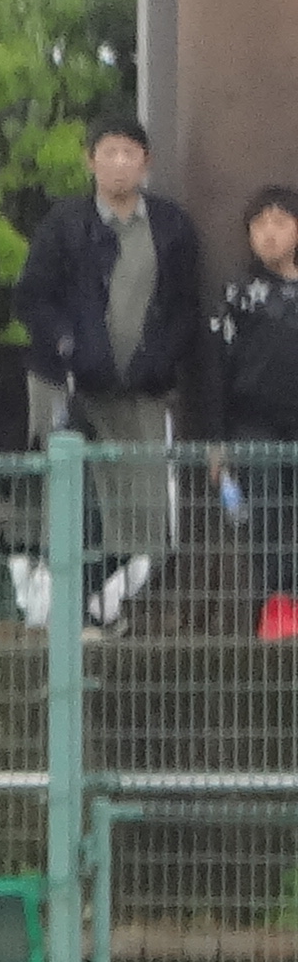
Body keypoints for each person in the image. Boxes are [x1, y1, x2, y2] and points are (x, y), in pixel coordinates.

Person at [19, 115, 205, 570]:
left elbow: (186, 306)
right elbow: (33, 297)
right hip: (63, 381)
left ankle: (127, 587)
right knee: (57, 490)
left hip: (140, 386)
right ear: (91, 161)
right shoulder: (64, 222)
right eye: (109, 152)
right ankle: (52, 585)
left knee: (142, 502)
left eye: (129, 153)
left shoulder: (171, 225)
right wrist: (67, 343)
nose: (120, 163)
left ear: (146, 162)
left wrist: (160, 359)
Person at [211, 186, 298, 633]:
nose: (269, 233)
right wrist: (217, 442)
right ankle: (278, 608)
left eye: (280, 222)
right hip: (253, 424)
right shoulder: (238, 294)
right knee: (266, 519)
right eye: (260, 224)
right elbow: (217, 371)